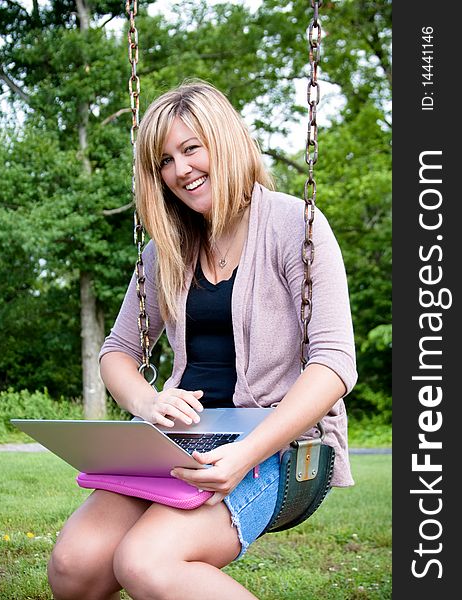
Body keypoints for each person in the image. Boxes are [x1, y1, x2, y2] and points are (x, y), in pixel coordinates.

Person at [47, 79, 357, 600]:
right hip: (181, 439)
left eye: (191, 148)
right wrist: (148, 401)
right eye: (165, 161)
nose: (180, 170)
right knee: (72, 568)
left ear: (226, 141)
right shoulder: (166, 249)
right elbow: (118, 351)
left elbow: (333, 363)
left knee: (146, 562)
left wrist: (243, 456)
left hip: (274, 445)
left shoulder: (292, 225)